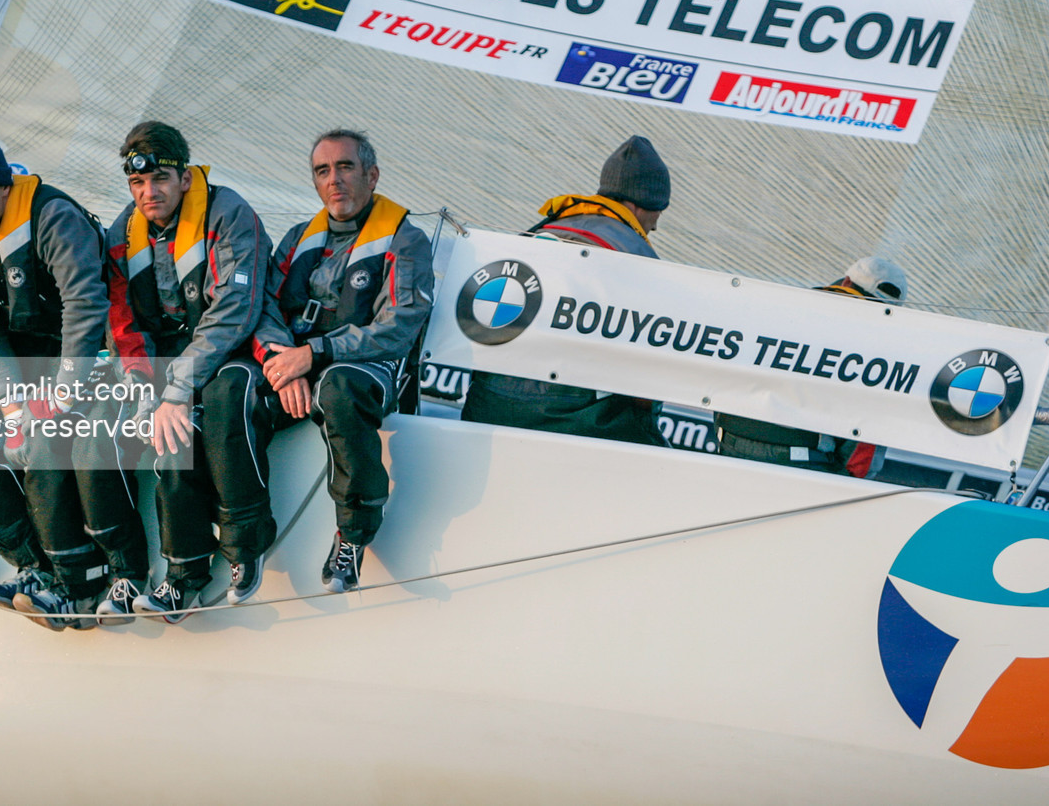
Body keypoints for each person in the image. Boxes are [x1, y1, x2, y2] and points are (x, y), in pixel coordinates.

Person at [0, 123, 145, 631]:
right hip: (28, 370)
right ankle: (35, 567)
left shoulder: (52, 217)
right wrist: (11, 406)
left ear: (5, 185)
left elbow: (85, 306)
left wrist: (60, 395)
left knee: (50, 440)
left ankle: (81, 583)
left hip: (92, 357)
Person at [105, 121, 277, 623]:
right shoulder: (122, 234)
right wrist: (145, 390)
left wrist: (177, 390)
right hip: (169, 364)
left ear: (185, 177)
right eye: (137, 183)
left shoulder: (228, 213)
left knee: (221, 408)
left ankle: (245, 544)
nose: (148, 192)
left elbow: (235, 309)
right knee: (160, 439)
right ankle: (178, 576)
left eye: (159, 179)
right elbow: (123, 323)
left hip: (235, 352)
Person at [258, 129, 435, 593]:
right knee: (229, 390)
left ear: (372, 176)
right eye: (323, 170)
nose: (334, 179)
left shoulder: (406, 240)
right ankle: (241, 540)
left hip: (366, 365)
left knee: (338, 386)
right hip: (299, 362)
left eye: (345, 167)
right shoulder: (297, 239)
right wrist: (283, 365)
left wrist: (315, 353)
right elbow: (265, 307)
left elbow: (398, 326)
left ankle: (354, 533)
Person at [461, 135, 671, 446]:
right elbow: (645, 384)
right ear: (638, 205)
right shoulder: (638, 257)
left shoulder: (542, 231)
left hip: (487, 403)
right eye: (658, 213)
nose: (654, 226)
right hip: (578, 421)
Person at [714, 256, 908, 478]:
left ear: (846, 282)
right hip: (801, 463)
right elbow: (864, 448)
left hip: (731, 441)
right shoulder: (879, 349)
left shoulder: (778, 309)